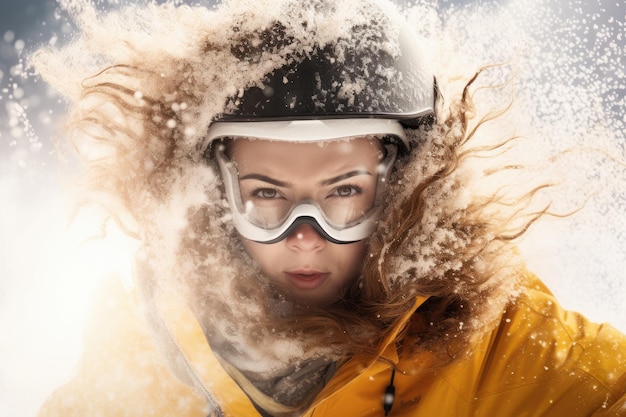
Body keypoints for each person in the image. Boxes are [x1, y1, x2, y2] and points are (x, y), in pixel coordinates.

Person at [32, 0, 626, 415]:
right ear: (217, 196)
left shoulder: (492, 347)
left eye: (343, 193)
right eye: (267, 195)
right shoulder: (146, 361)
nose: (305, 238)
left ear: (404, 190)